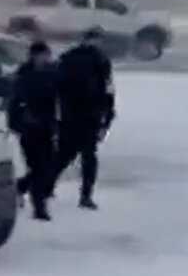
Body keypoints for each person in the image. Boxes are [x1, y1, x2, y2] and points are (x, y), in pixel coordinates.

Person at [53, 28, 115, 209]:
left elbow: (57, 87)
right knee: (82, 157)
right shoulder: (100, 60)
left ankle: (41, 186)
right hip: (88, 114)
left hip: (73, 114)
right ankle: (85, 194)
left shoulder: (68, 58)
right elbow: (107, 89)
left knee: (66, 156)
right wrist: (107, 114)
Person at [7, 41, 59, 220]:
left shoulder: (53, 74)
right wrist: (18, 123)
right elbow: (15, 102)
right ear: (33, 56)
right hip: (30, 127)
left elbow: (58, 100)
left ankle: (19, 188)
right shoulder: (24, 75)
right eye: (41, 55)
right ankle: (39, 207)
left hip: (46, 127)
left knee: (45, 167)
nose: (44, 58)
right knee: (38, 167)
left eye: (46, 55)